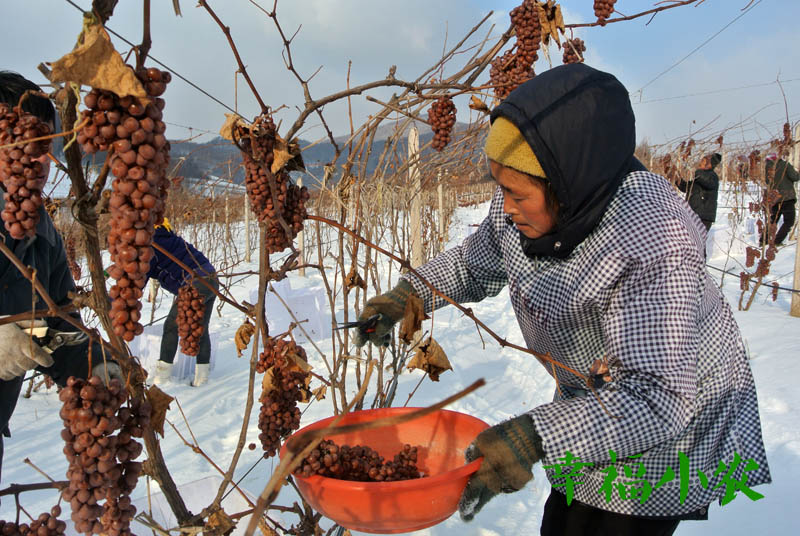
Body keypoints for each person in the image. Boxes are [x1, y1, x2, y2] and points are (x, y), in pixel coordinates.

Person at [354, 64, 770, 535]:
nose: (505, 206)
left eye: (515, 193)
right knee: (568, 514)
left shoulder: (652, 237)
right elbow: (476, 262)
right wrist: (408, 296)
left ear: (567, 184)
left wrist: (531, 439)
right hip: (598, 389)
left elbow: (657, 399)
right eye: (499, 187)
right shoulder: (526, 199)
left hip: (669, 419)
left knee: (615, 520)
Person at [0, 71, 121, 482]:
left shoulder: (41, 232)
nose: (40, 160)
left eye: (46, 146)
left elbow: (60, 321)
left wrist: (93, 363)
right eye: (23, 143)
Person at [147, 218, 218, 386]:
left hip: (195, 282)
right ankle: (202, 376)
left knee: (172, 325)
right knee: (201, 327)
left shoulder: (150, 246)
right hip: (211, 278)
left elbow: (137, 280)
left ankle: (162, 376)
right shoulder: (167, 236)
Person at [677, 152, 722, 231]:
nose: (700, 162)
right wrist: (676, 178)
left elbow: (705, 180)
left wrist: (699, 170)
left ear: (710, 164)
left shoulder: (712, 176)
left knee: (694, 241)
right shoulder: (700, 178)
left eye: (704, 161)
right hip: (694, 215)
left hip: (703, 217)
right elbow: (686, 188)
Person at [764, 152, 799, 245]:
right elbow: (795, 177)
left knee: (773, 220)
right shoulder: (784, 165)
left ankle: (763, 240)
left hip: (774, 197)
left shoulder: (767, 167)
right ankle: (777, 241)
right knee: (789, 221)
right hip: (787, 197)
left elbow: (767, 181)